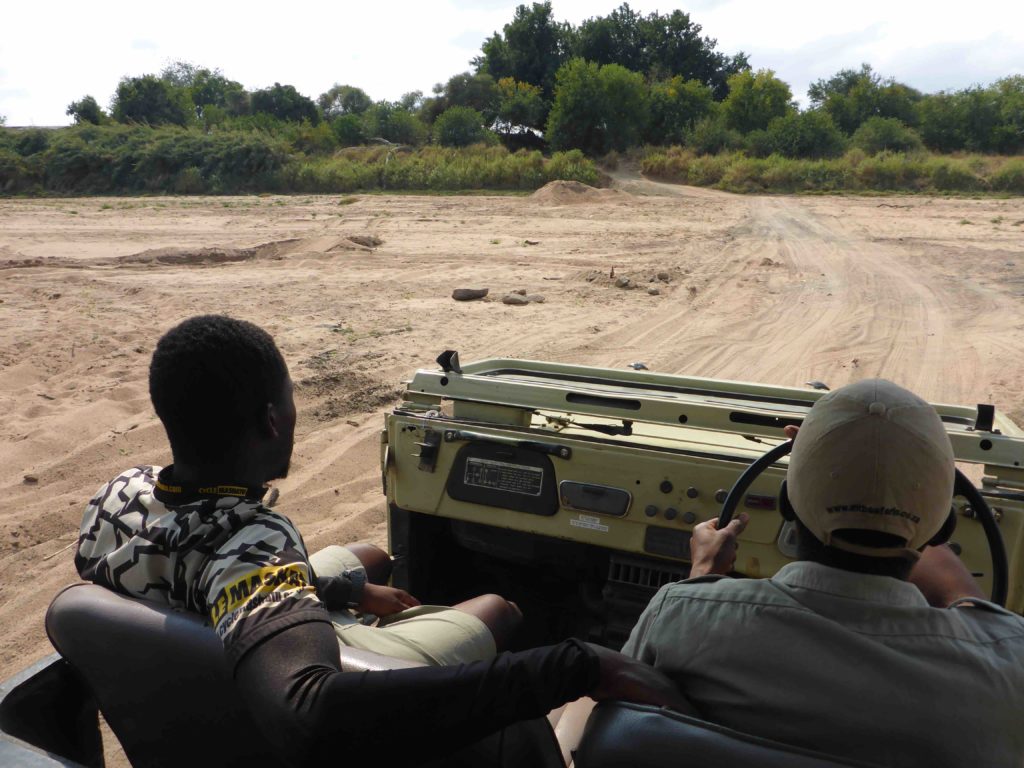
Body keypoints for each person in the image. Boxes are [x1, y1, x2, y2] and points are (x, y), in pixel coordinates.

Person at [75, 314, 687, 766]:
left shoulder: (115, 498)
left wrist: (347, 589)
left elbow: (191, 569)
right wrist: (574, 664)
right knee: (498, 608)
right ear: (270, 420)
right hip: (256, 664)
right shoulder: (255, 542)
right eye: (289, 399)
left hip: (198, 629)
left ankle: (362, 590)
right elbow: (306, 712)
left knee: (373, 561)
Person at [623, 378, 1024, 767]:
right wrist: (962, 594)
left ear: (787, 504)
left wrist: (702, 576)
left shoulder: (679, 612)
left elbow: (630, 703)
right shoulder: (1010, 662)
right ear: (943, 530)